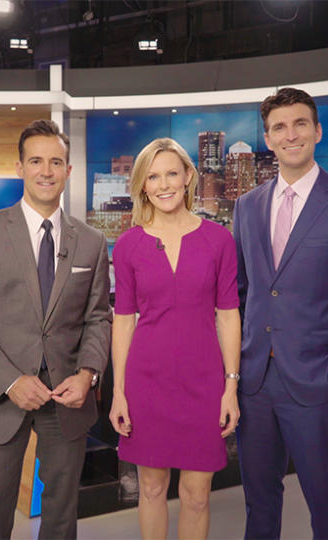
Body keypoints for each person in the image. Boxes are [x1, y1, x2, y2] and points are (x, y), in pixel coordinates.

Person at [233, 87, 328, 539]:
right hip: (255, 380)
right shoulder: (247, 206)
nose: (291, 134)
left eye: (300, 123)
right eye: (279, 127)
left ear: (317, 131)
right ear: (268, 139)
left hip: (318, 379)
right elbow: (242, 293)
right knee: (259, 503)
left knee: (326, 505)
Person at [0, 119, 112, 539]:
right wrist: (10, 381)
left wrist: (88, 373)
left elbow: (98, 316)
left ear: (68, 170)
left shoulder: (90, 242)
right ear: (19, 167)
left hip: (66, 399)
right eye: (36, 160)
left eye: (56, 161)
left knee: (60, 517)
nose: (46, 170)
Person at [108, 138, 241, 539]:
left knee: (197, 495)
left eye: (171, 173)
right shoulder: (129, 245)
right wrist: (118, 391)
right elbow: (123, 320)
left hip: (204, 382)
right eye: (153, 176)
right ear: (142, 185)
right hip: (146, 382)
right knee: (150, 488)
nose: (163, 184)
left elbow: (229, 315)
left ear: (187, 178)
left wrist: (231, 386)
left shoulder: (219, 240)